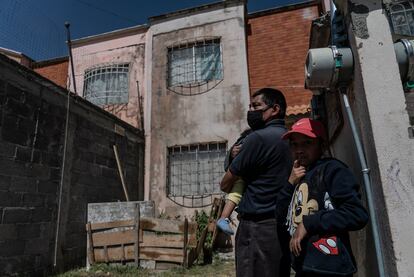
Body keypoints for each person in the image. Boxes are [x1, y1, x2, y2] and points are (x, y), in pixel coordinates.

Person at [278, 118, 369, 277]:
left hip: (330, 268)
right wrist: (289, 184)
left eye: (307, 143)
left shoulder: (333, 170)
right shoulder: (299, 174)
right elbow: (280, 216)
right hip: (304, 266)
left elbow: (356, 214)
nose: (299, 150)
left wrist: (309, 222)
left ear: (322, 145)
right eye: (294, 144)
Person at [220, 88, 292, 277]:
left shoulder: (257, 139)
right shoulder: (291, 139)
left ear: (275, 109)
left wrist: (234, 162)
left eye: (257, 105)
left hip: (257, 228)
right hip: (282, 225)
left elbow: (226, 183)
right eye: (250, 106)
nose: (251, 110)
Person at [216, 129, 251, 236]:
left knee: (235, 194)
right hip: (242, 177)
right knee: (235, 193)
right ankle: (223, 218)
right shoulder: (250, 139)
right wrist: (232, 154)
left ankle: (224, 218)